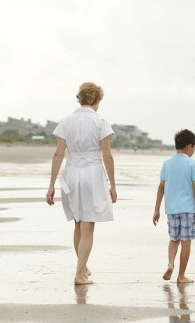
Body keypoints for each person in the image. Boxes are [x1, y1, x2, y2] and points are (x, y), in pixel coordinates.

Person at [46, 82, 117, 285]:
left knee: (78, 223)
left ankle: (82, 267)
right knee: (88, 226)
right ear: (97, 100)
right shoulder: (100, 121)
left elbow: (59, 154)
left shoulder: (66, 121)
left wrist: (51, 185)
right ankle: (79, 274)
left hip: (70, 173)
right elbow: (107, 156)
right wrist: (113, 185)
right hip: (92, 174)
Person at [153, 129, 195, 284]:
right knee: (186, 241)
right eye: (194, 148)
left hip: (171, 209)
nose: (193, 151)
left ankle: (170, 263)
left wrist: (156, 209)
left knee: (174, 239)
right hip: (188, 209)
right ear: (189, 147)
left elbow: (161, 187)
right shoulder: (192, 163)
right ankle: (181, 276)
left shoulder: (167, 163)